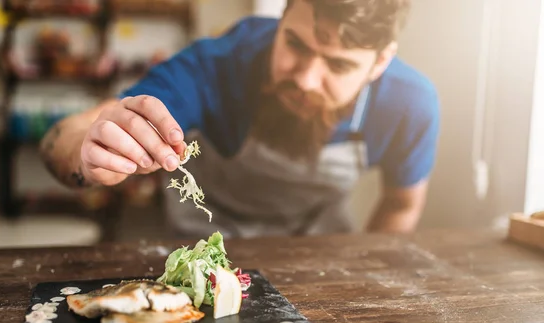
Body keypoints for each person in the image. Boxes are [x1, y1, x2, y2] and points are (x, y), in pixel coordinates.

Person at [39, 0, 440, 239]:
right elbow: (62, 137)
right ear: (281, 20)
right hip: (201, 244)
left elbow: (402, 204)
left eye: (338, 64)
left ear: (380, 62)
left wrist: (363, 275)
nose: (305, 79)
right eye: (295, 44)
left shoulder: (410, 104)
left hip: (318, 250)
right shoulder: (218, 64)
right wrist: (88, 151)